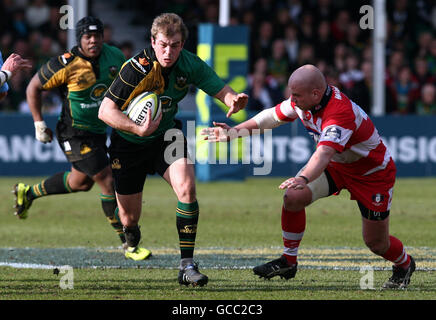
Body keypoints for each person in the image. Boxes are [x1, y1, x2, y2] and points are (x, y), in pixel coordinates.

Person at [202, 64, 416, 289]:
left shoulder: (339, 112)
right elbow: (270, 117)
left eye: (295, 94)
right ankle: (289, 261)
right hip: (337, 166)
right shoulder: (304, 100)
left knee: (376, 243)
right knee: (293, 197)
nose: (291, 99)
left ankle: (405, 264)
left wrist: (302, 178)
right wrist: (234, 132)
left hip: (372, 174)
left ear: (315, 94)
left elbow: (323, 154)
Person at [98, 13, 248, 287]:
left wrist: (233, 99)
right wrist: (136, 128)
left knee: (187, 188)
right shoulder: (136, 69)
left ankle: (186, 265)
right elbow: (105, 110)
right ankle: (131, 235)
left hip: (166, 134)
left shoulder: (189, 63)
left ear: (182, 44)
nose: (169, 52)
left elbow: (219, 88)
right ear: (153, 42)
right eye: (164, 44)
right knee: (128, 218)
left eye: (176, 45)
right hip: (128, 144)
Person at [13, 16, 151, 261]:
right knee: (107, 179)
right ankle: (128, 244)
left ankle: (28, 192)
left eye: (97, 36)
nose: (94, 41)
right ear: (80, 39)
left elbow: (129, 84)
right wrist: (38, 122)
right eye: (88, 37)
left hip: (98, 132)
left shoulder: (115, 56)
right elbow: (33, 87)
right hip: (73, 132)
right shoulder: (64, 63)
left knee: (81, 183)